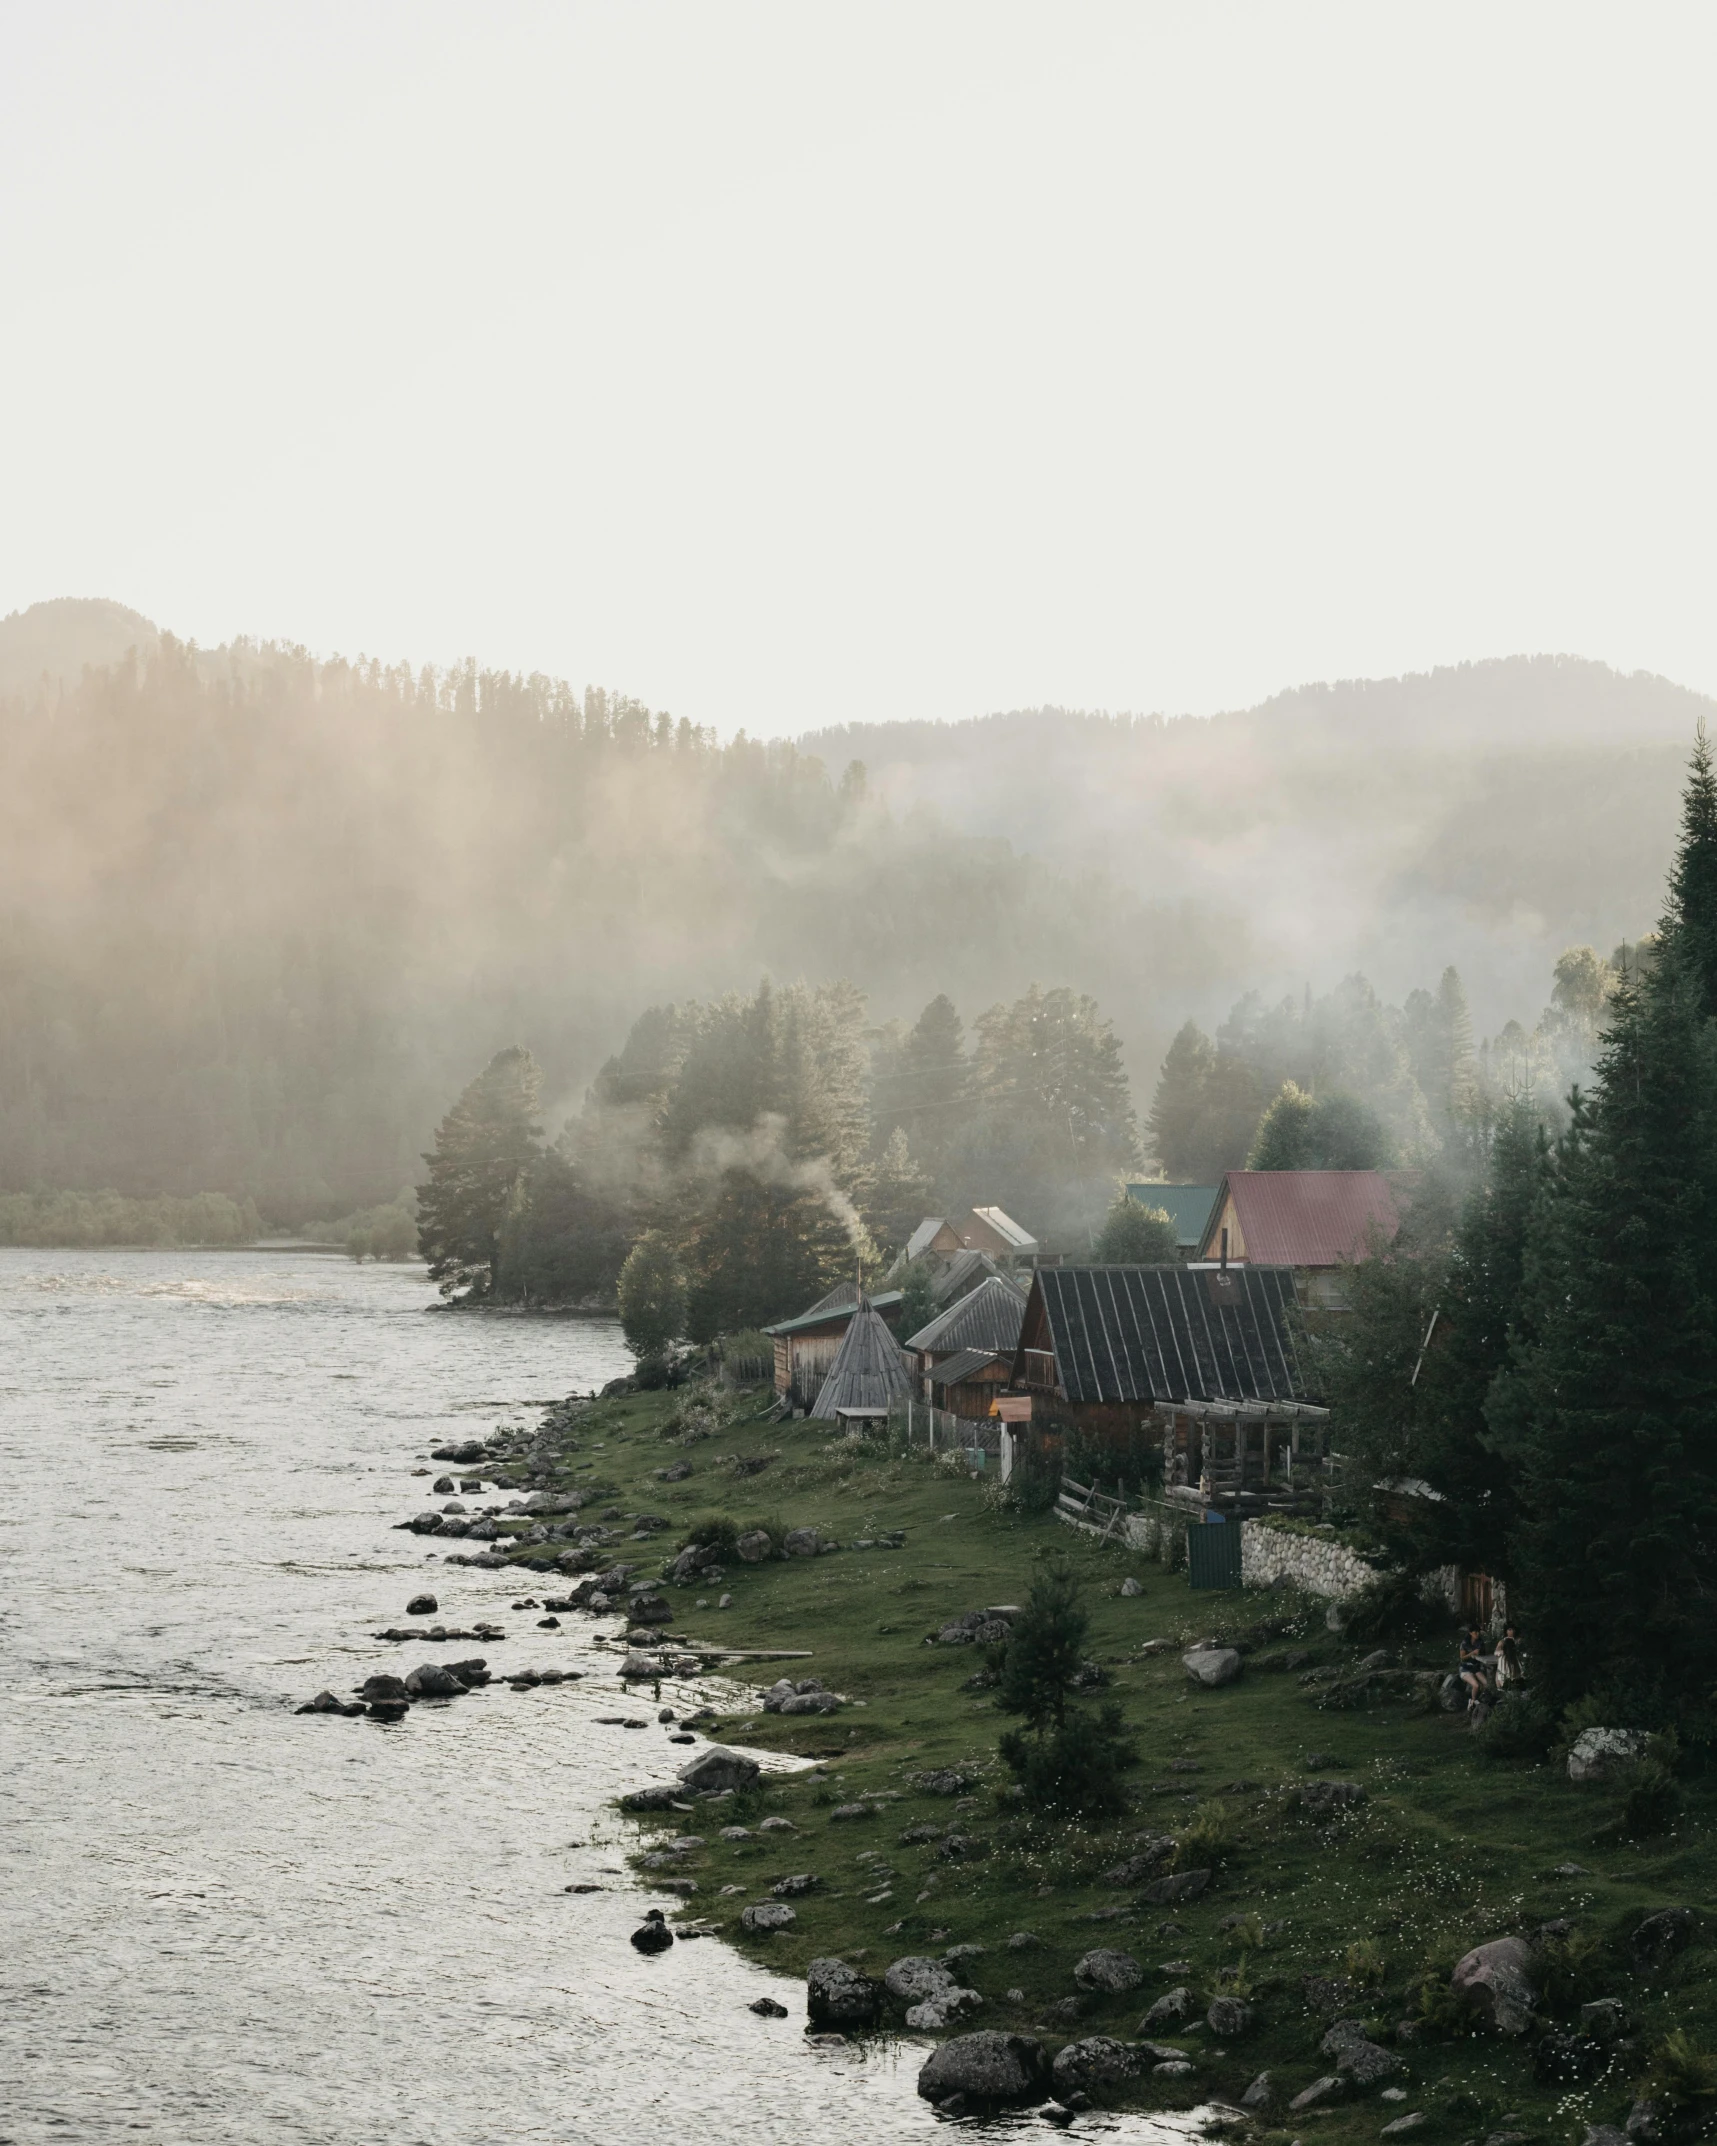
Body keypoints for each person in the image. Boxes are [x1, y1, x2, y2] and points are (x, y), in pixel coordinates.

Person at [1457, 1625, 1490, 1708]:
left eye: (1478, 1632)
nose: (1477, 1634)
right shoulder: (1465, 1643)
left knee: (1487, 1684)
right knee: (1476, 1685)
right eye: (1475, 1632)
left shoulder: (1480, 1642)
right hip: (1465, 1668)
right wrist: (1473, 1653)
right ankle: (1472, 1701)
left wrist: (1480, 1653)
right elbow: (1462, 1658)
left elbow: (1484, 1655)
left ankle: (1483, 1700)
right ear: (1470, 1633)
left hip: (1476, 1668)